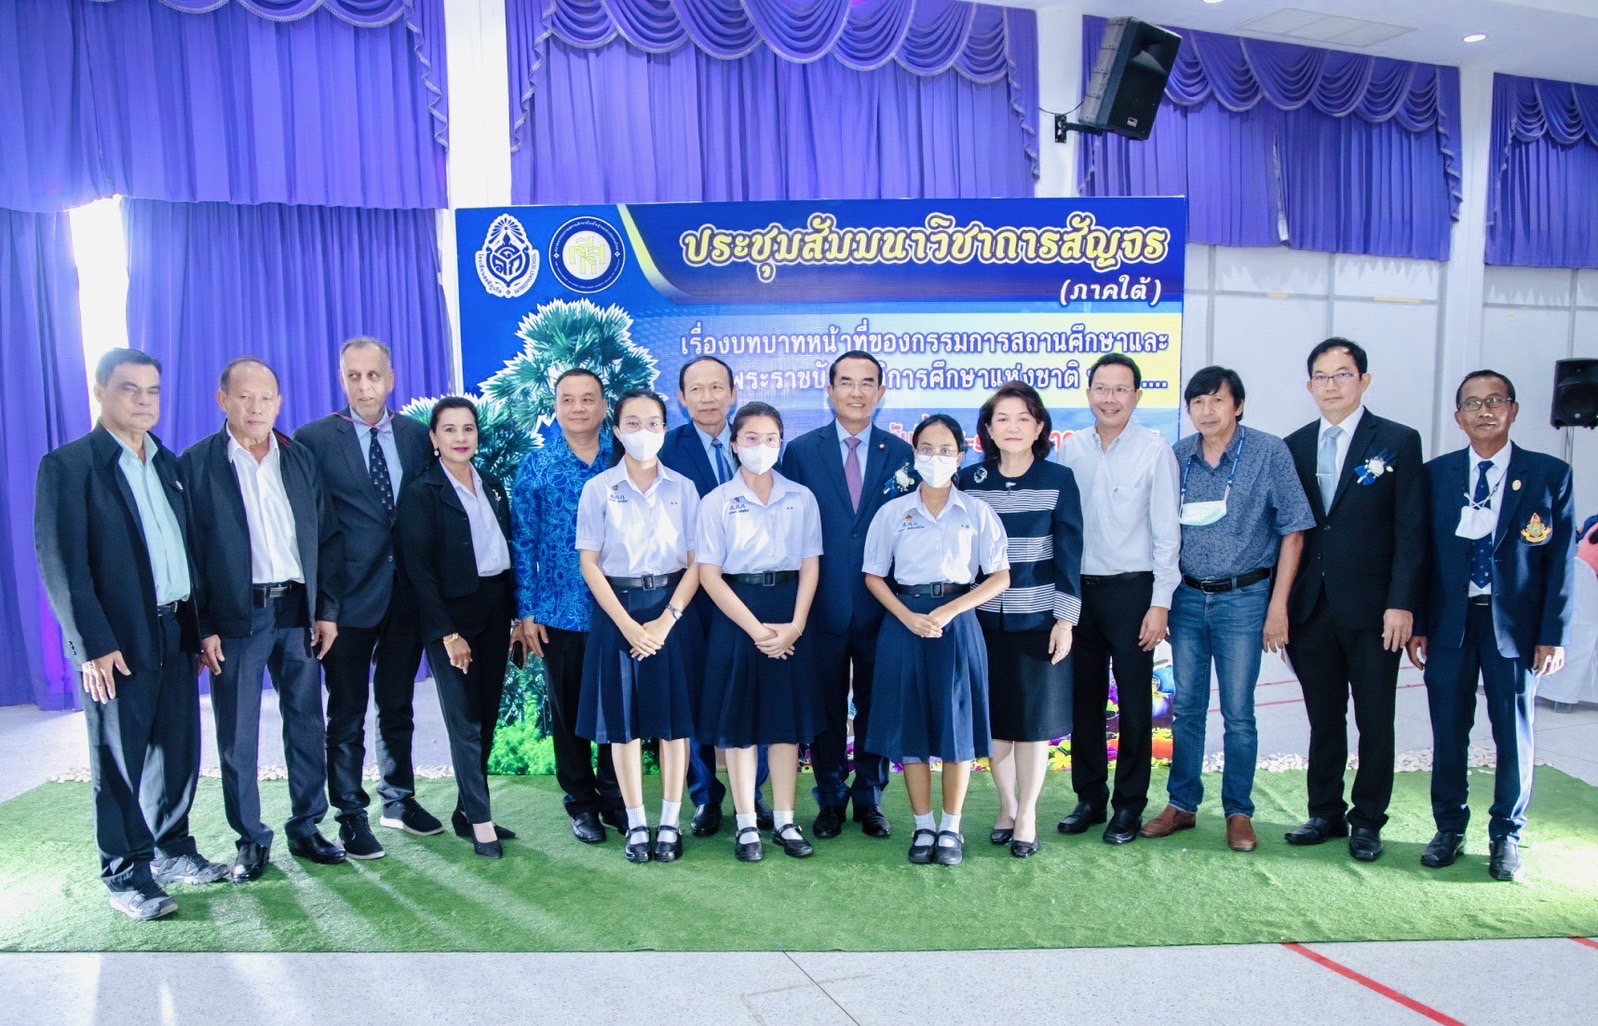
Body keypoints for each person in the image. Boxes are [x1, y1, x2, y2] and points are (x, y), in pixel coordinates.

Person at [34, 349, 228, 921]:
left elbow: (188, 554)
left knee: (177, 752)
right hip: (116, 642)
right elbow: (63, 565)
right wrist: (91, 644)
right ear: (100, 392)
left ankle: (172, 849)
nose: (144, 402)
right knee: (119, 761)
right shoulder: (70, 467)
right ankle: (126, 875)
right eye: (129, 390)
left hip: (176, 632)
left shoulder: (168, 464)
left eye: (153, 391)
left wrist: (203, 628)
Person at [181, 358, 347, 881]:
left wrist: (327, 611)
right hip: (235, 618)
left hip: (298, 610)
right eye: (245, 397)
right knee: (239, 734)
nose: (256, 407)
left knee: (305, 722)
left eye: (267, 397)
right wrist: (202, 625)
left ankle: (307, 825)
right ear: (222, 400)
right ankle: (250, 838)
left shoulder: (298, 459)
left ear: (279, 402)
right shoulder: (197, 464)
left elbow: (327, 538)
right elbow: (189, 554)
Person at [1407, 370, 1575, 882]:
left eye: (1495, 400)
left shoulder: (1549, 474)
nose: (1485, 411)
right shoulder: (1436, 475)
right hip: (1449, 625)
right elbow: (1419, 554)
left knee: (1513, 732)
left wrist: (1552, 634)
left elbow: (1560, 562)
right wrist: (1416, 621)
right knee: (1449, 730)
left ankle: (1506, 834)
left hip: (1516, 631)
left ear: (1514, 410)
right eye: (1473, 403)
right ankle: (1449, 827)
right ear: (1458, 417)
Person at [1143, 366, 1314, 852]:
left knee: (1239, 712)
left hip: (1245, 599)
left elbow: (1294, 529)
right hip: (1188, 599)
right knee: (1188, 709)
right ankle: (1182, 805)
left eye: (1216, 401)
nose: (1206, 411)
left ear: (1237, 405)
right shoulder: (1178, 457)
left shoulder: (1267, 452)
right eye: (1197, 402)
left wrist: (1278, 606)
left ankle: (1239, 812)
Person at [295, 338, 440, 860]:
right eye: (353, 377)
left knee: (398, 705)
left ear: (391, 379)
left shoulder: (417, 437)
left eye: (373, 376)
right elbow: (308, 528)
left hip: (406, 598)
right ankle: (350, 815)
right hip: (346, 604)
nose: (364, 386)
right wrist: (321, 606)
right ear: (342, 381)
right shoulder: (312, 440)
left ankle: (398, 801)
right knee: (348, 714)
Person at [1282, 338, 1425, 863]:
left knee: (1374, 719)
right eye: (1321, 376)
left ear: (1363, 380)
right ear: (1309, 385)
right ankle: (1325, 812)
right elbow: (1288, 532)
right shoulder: (1293, 445)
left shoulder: (1397, 442)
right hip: (1310, 607)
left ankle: (1368, 821)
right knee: (1323, 717)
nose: (1331, 385)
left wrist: (1402, 602)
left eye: (1342, 375)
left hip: (1375, 611)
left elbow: (1411, 530)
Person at [864, 415, 1012, 867]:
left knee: (956, 731)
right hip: (904, 625)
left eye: (945, 450)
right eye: (926, 449)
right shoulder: (893, 513)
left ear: (961, 457)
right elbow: (873, 576)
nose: (935, 458)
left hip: (958, 625)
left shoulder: (978, 512)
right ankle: (923, 826)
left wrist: (949, 610)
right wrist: (908, 616)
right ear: (915, 455)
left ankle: (951, 827)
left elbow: (1000, 577)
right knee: (911, 731)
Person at [779, 350, 913, 841]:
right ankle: (831, 797)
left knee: (879, 705)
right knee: (826, 707)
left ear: (881, 392)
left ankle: (871, 798)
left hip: (885, 607)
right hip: (820, 605)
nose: (857, 392)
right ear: (830, 390)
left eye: (867, 383)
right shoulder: (799, 451)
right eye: (847, 382)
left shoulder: (902, 455)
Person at [1055, 353, 1180, 844]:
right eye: (1101, 388)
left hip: (1134, 592)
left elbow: (1168, 535)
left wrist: (1160, 602)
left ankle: (1129, 805)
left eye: (1120, 389)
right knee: (1083, 701)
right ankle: (1088, 798)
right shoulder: (1071, 452)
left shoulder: (1154, 450)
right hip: (1078, 592)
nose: (1110, 398)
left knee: (1133, 704)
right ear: (1088, 394)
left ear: (1137, 396)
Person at [577, 390, 703, 863]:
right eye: (632, 423)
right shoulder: (599, 489)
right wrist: (628, 625)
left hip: (673, 610)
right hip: (617, 613)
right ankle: (636, 822)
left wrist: (667, 620)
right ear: (617, 429)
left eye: (653, 423)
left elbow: (697, 562)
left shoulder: (684, 489)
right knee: (623, 726)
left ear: (665, 430)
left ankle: (670, 821)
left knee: (674, 725)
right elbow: (590, 564)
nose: (643, 433)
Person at [696, 402, 823, 863]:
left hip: (790, 613)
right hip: (737, 618)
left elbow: (811, 565)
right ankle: (747, 822)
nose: (761, 447)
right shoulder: (715, 502)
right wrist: (754, 630)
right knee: (740, 728)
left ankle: (786, 821)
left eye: (771, 438)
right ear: (734, 444)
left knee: (786, 728)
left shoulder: (801, 498)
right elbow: (709, 575)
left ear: (781, 442)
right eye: (751, 438)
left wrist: (796, 625)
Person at [959, 383, 1082, 859]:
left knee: (1032, 725)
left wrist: (1065, 620)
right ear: (987, 430)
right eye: (1002, 418)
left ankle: (1028, 813)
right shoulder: (970, 481)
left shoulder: (1058, 479)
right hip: (983, 622)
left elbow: (1070, 554)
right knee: (996, 724)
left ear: (1040, 427)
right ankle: (1006, 806)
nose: (1013, 427)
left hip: (1039, 620)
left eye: (1023, 418)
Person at [395, 397, 518, 859]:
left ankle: (467, 811)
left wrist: (515, 617)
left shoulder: (490, 483)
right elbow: (418, 571)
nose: (461, 437)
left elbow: (505, 553)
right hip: (451, 620)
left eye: (468, 428)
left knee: (485, 719)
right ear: (433, 438)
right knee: (464, 722)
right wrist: (447, 633)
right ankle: (481, 823)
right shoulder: (423, 491)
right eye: (450, 429)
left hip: (493, 611)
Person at [657, 355, 771, 835]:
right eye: (696, 390)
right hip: (692, 598)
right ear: (681, 398)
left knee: (757, 693)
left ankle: (757, 793)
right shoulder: (666, 448)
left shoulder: (759, 442)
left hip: (752, 598)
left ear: (732, 392)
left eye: (716, 388)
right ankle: (706, 797)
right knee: (697, 697)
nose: (707, 398)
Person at [512, 369, 626, 844]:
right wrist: (526, 612)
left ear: (604, 406)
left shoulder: (626, 460)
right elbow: (522, 541)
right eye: (568, 400)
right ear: (555, 407)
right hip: (560, 612)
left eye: (588, 399)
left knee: (618, 709)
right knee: (571, 712)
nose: (578, 408)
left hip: (624, 609)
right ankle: (580, 803)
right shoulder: (535, 467)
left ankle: (618, 798)